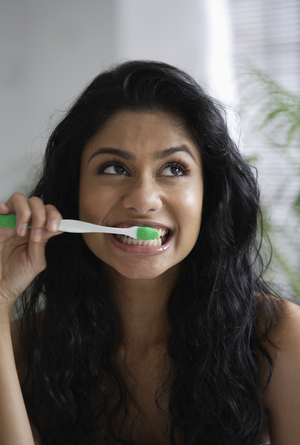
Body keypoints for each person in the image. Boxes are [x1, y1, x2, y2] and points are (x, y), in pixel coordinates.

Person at [0, 60, 299, 445]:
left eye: (174, 169)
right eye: (113, 168)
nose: (142, 200)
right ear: (74, 192)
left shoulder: (277, 338)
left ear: (208, 195)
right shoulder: (25, 349)